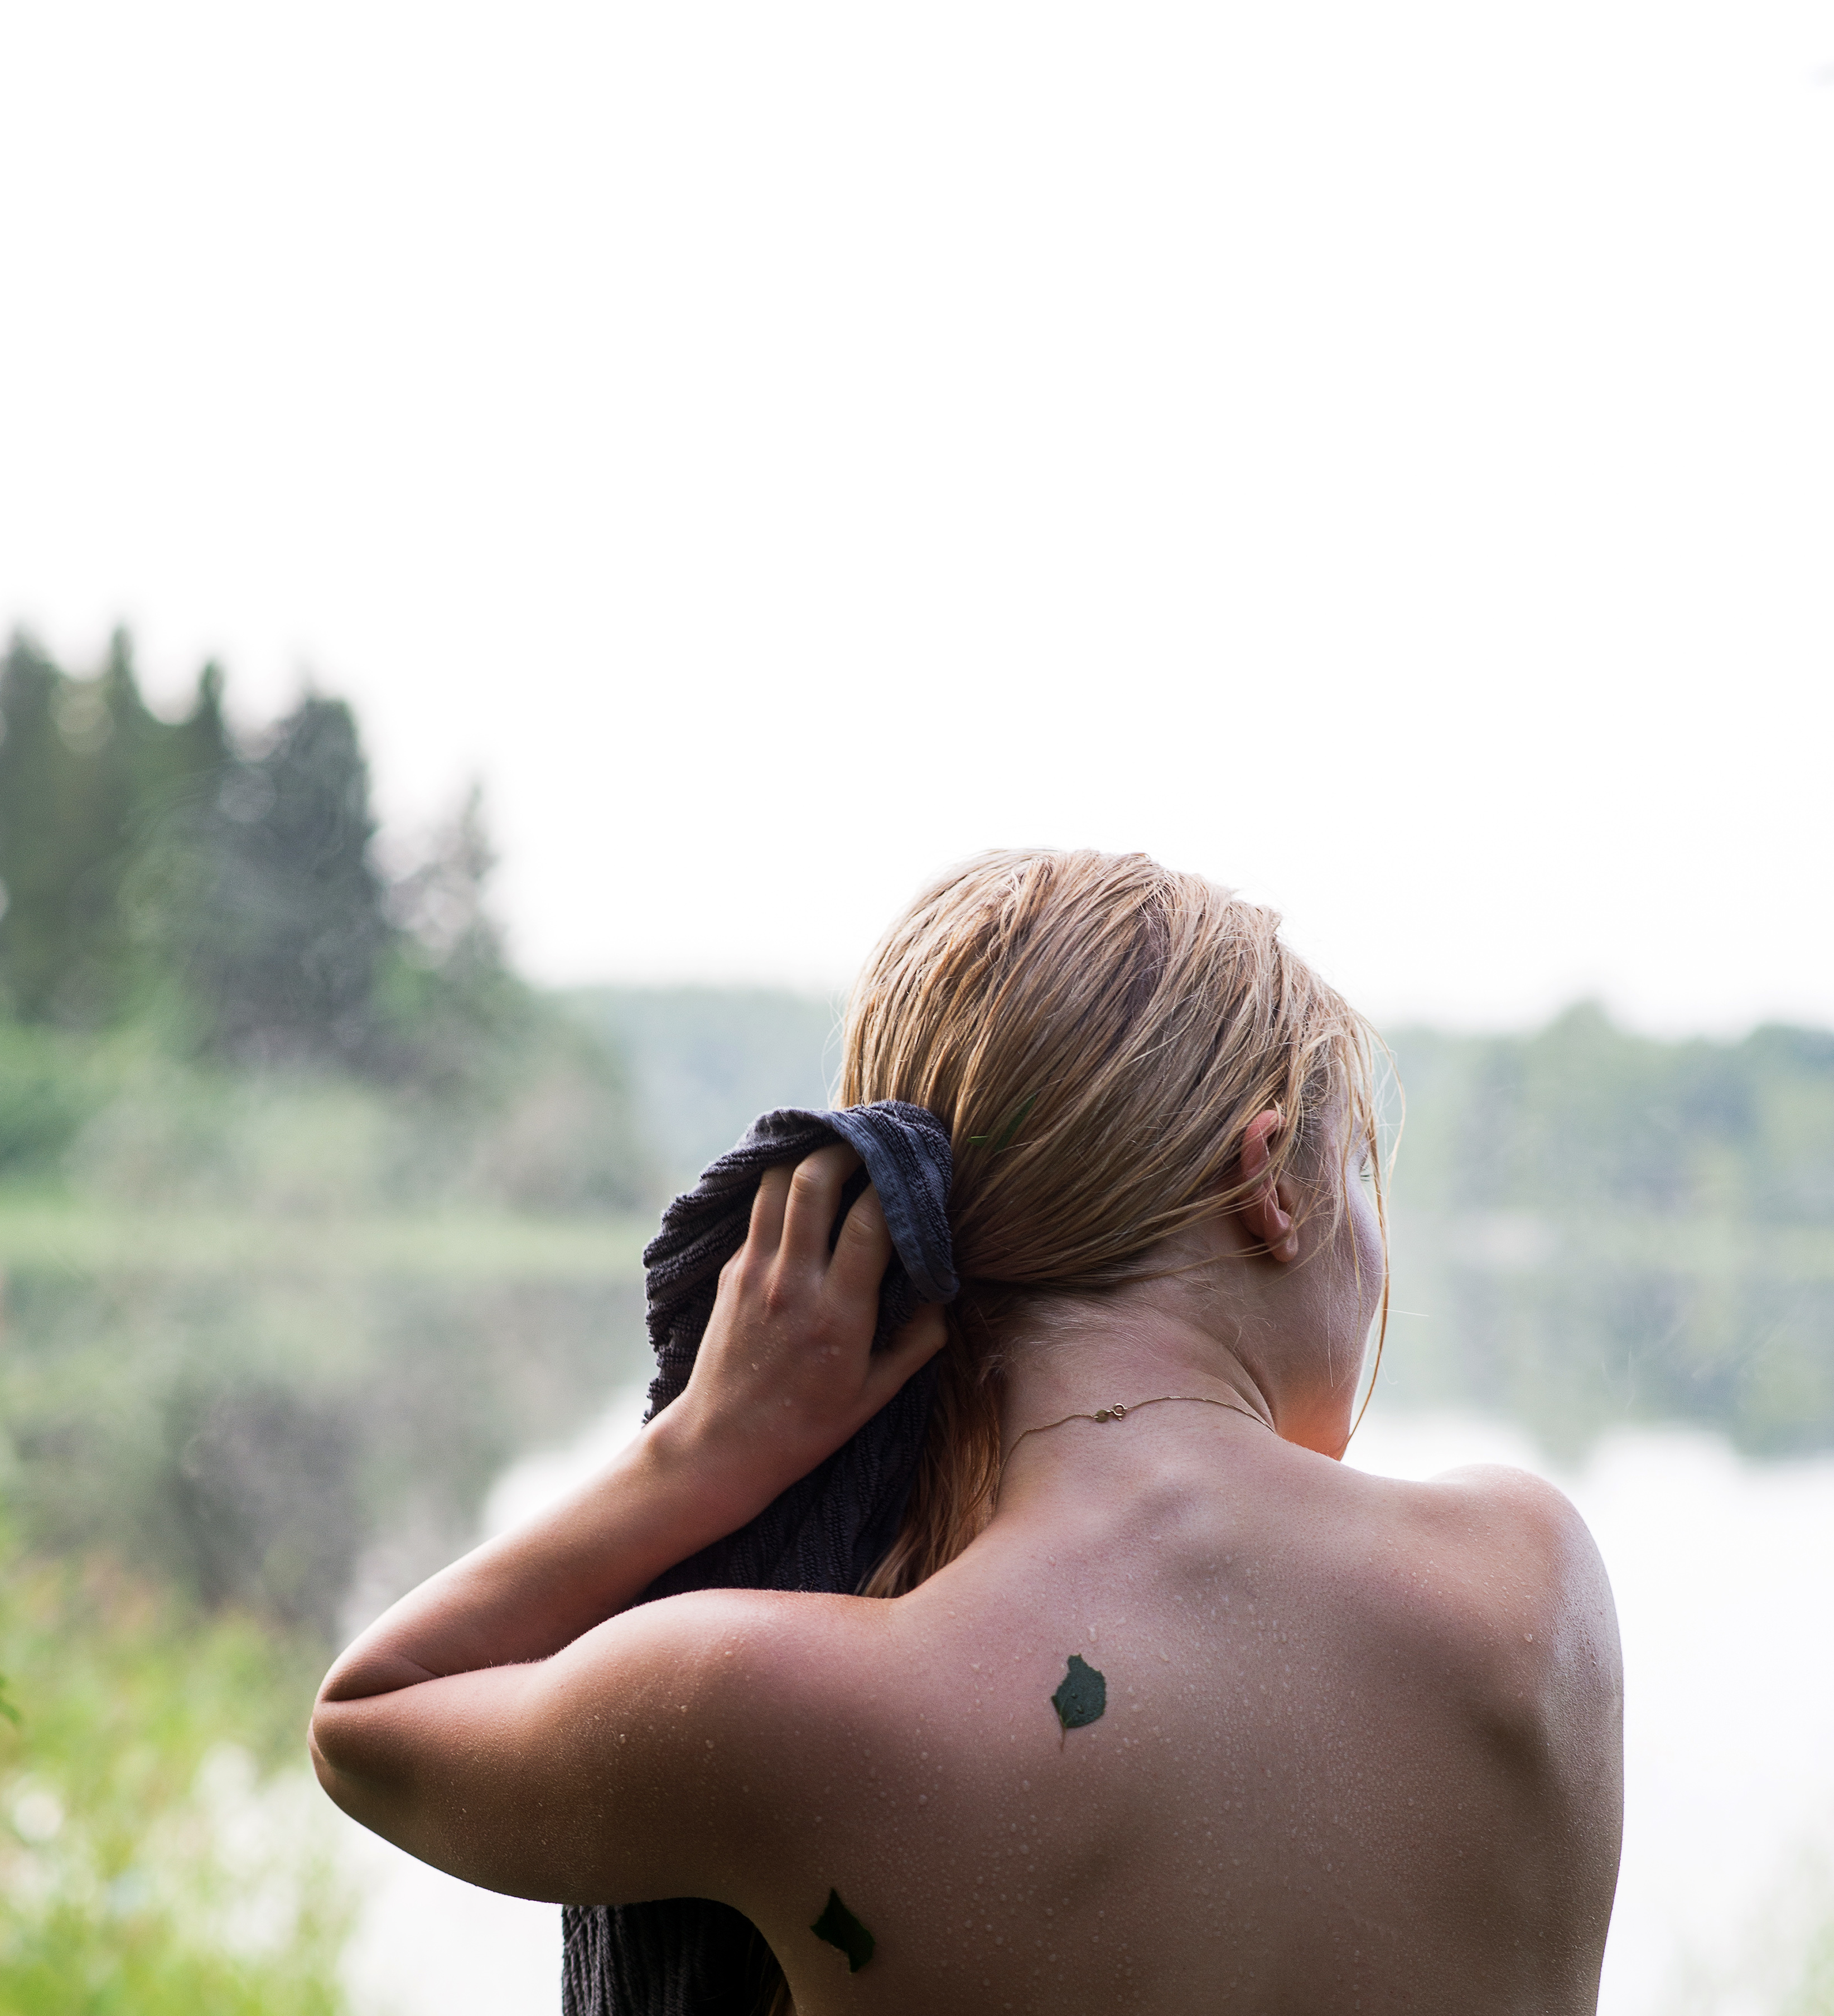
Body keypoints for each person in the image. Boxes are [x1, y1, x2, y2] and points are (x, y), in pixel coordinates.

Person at [310, 849, 1623, 2014]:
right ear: (1267, 1178)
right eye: (1355, 1175)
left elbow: (368, 1719)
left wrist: (698, 1456)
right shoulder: (1530, 1588)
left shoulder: (788, 1706)